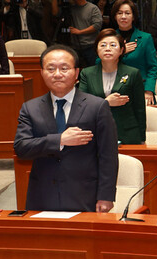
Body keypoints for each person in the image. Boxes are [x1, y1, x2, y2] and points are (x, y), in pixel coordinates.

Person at [14, 44, 118, 212]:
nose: (57, 74)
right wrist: (60, 140)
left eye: (64, 68)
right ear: (41, 73)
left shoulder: (97, 106)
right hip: (42, 196)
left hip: (85, 195)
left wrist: (106, 196)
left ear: (76, 73)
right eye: (50, 69)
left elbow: (108, 156)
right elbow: (21, 148)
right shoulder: (30, 108)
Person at [78, 29, 146, 144]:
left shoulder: (133, 73)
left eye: (113, 45)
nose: (107, 48)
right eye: (103, 45)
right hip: (96, 132)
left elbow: (139, 108)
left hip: (127, 134)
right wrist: (106, 102)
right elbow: (82, 105)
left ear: (121, 50)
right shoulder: (86, 73)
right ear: (96, 50)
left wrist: (142, 138)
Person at [107, 0, 157, 105]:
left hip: (140, 89)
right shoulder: (108, 38)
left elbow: (152, 68)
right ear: (115, 16)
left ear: (133, 16)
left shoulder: (145, 38)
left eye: (127, 13)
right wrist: (120, 52)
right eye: (119, 13)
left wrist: (149, 91)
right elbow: (99, 63)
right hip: (113, 90)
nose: (123, 17)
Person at [53, 0, 102, 68]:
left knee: (93, 69)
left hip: (90, 46)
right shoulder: (70, 9)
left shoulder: (92, 8)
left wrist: (79, 32)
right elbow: (55, 13)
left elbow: (97, 25)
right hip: (74, 47)